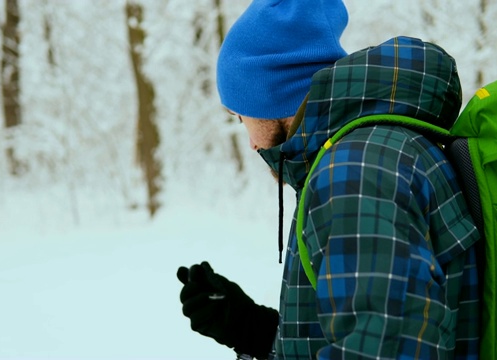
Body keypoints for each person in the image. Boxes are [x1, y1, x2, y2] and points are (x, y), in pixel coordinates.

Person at [177, 1, 480, 359]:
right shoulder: (367, 155)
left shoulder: (354, 172)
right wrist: (253, 331)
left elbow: (387, 349)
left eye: (241, 116)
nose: (252, 143)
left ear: (272, 94)